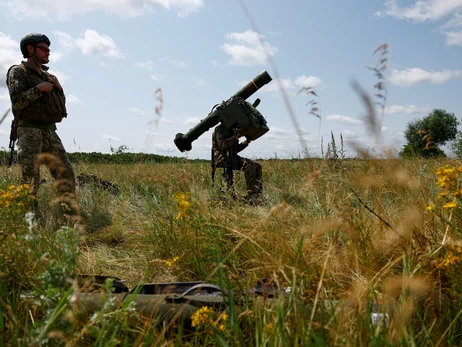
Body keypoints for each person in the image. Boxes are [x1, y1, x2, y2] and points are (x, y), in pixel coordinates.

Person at [6, 33, 75, 203]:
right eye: (44, 49)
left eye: (49, 49)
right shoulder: (18, 72)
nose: (48, 52)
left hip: (50, 131)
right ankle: (29, 219)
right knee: (30, 179)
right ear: (30, 49)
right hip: (29, 131)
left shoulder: (47, 76)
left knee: (65, 174)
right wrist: (39, 89)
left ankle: (69, 215)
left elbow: (61, 104)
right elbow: (17, 102)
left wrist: (58, 88)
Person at [212, 124, 262, 202]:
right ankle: (251, 194)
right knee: (249, 165)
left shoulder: (232, 130)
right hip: (221, 158)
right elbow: (222, 146)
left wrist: (246, 142)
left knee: (257, 166)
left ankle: (258, 194)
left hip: (232, 156)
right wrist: (235, 138)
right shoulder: (220, 129)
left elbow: (235, 149)